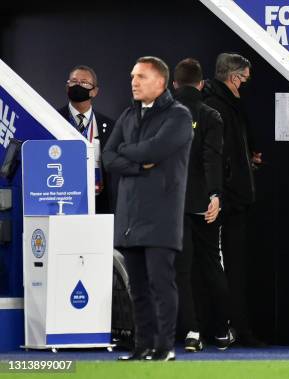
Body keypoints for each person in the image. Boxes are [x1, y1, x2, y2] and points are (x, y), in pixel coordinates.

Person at [103, 56, 193, 361]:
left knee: (160, 284)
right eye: (132, 76)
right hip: (129, 215)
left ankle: (164, 347)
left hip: (161, 216)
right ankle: (143, 346)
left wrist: (127, 154)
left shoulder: (179, 116)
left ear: (160, 82)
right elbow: (108, 156)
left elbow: (154, 149)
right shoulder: (128, 115)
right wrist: (139, 165)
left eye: (141, 76)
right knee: (136, 288)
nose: (133, 82)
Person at [202, 53, 264, 347]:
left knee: (235, 268)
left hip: (236, 200)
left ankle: (234, 326)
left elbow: (234, 151)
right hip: (223, 202)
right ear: (232, 77)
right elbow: (215, 157)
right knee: (222, 268)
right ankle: (221, 328)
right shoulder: (215, 106)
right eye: (244, 79)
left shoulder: (231, 105)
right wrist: (222, 192)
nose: (246, 85)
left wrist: (247, 159)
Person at [172, 58, 234, 351]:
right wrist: (214, 195)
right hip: (203, 203)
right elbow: (212, 158)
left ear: (174, 85)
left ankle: (192, 332)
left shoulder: (161, 115)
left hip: (172, 205)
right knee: (212, 265)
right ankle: (221, 331)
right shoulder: (211, 115)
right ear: (201, 84)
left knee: (182, 271)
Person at [57, 65, 116, 213]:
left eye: (84, 83)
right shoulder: (54, 119)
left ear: (94, 91)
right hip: (63, 199)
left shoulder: (110, 125)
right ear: (67, 87)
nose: (78, 86)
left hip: (100, 202)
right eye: (74, 81)